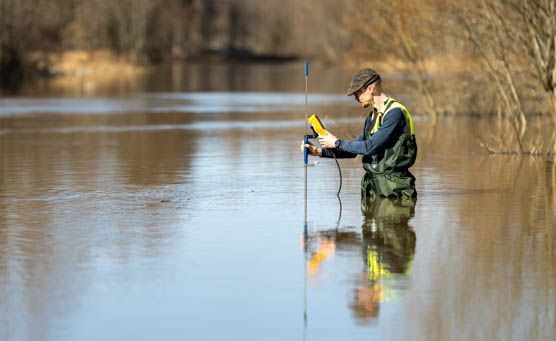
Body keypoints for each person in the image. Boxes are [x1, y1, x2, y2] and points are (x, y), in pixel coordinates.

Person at [301, 68, 417, 199]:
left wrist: (337, 142)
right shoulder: (372, 117)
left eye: (357, 93)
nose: (356, 98)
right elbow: (355, 149)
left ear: (370, 89)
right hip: (374, 189)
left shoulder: (395, 113)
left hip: (395, 191)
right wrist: (319, 152)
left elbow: (370, 147)